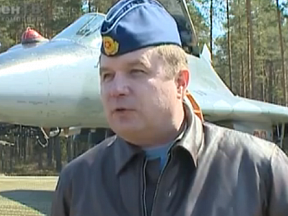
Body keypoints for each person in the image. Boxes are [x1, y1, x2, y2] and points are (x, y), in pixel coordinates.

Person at [50, 0, 288, 215]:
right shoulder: (78, 182)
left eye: (136, 71)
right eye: (107, 75)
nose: (116, 88)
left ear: (180, 82)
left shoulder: (260, 170)